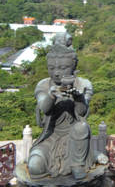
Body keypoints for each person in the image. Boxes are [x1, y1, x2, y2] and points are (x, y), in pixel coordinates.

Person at [27, 43, 94, 179]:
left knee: (81, 127)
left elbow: (81, 114)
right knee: (35, 167)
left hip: (75, 138)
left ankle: (77, 164)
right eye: (52, 68)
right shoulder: (44, 84)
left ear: (73, 66)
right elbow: (44, 108)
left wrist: (78, 98)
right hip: (50, 136)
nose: (56, 72)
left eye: (63, 68)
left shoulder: (83, 84)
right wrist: (51, 96)